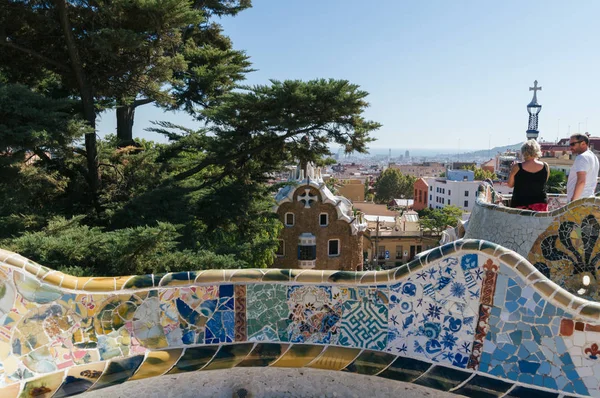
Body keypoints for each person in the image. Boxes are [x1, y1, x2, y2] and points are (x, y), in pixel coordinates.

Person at [507, 140, 549, 211]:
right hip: (540, 205)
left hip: (520, 204)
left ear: (523, 152)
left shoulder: (517, 167)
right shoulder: (545, 166)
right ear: (537, 151)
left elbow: (510, 184)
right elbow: (544, 181)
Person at [567, 133, 600, 202]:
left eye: (573, 144)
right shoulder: (594, 157)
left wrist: (573, 201)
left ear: (583, 143)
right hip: (588, 199)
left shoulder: (582, 157)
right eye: (569, 144)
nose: (570, 147)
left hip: (579, 202)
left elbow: (581, 181)